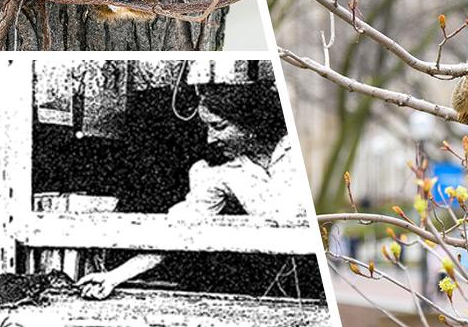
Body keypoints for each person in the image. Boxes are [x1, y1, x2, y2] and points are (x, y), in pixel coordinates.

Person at [77, 82, 301, 299]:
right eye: (207, 128)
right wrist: (114, 277)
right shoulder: (220, 172)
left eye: (219, 126)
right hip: (287, 280)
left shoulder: (300, 144)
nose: (210, 138)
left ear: (251, 123)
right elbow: (179, 231)